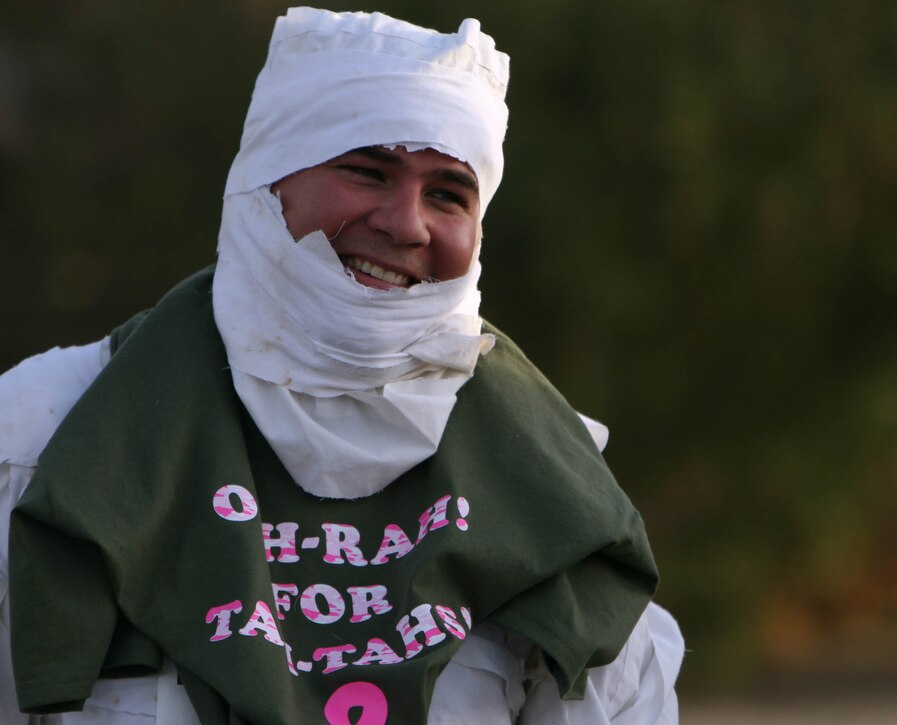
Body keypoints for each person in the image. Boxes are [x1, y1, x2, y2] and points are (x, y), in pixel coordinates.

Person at [0, 8, 683, 724]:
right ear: (268, 178)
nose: (406, 222)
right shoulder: (46, 442)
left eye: (448, 193)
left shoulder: (554, 486)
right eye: (367, 170)